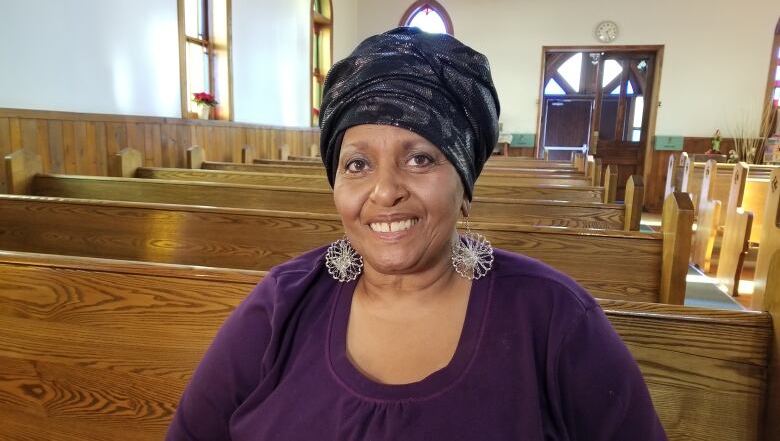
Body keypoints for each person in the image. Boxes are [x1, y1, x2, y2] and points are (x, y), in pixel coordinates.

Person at [166, 27, 666, 440]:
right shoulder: (281, 304)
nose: (385, 192)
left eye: (420, 158)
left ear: (464, 182)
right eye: (358, 163)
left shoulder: (553, 318)